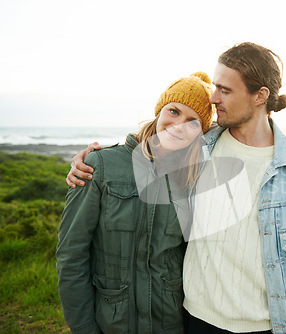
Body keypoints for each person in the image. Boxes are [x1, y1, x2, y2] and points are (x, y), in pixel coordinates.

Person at [67, 42, 286, 334]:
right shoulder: (199, 149)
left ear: (260, 96)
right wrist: (91, 160)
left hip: (267, 326)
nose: (213, 97)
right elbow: (148, 148)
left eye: (225, 90)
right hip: (194, 319)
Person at [57, 72, 215, 334]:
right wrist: (84, 328)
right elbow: (71, 256)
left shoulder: (192, 180)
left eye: (193, 122)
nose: (178, 125)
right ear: (159, 110)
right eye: (173, 111)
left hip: (170, 324)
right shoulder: (100, 166)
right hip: (111, 323)